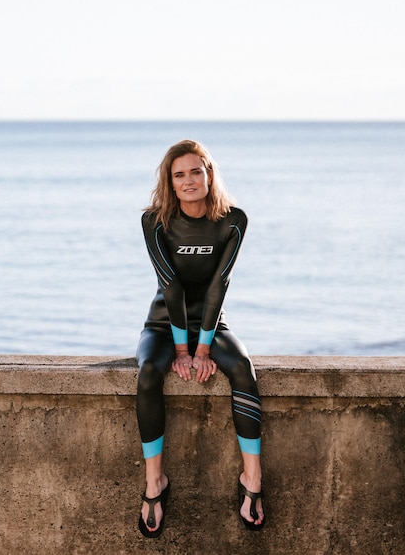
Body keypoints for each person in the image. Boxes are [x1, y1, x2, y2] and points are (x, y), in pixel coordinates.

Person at [135, 139, 265, 538]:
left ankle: (252, 480)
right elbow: (170, 286)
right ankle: (155, 481)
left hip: (210, 323)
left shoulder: (233, 220)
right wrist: (180, 350)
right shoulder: (154, 221)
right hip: (163, 325)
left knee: (243, 368)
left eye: (196, 171)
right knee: (148, 374)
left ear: (209, 173)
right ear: (170, 183)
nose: (189, 180)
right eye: (179, 175)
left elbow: (217, 286)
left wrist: (203, 348)